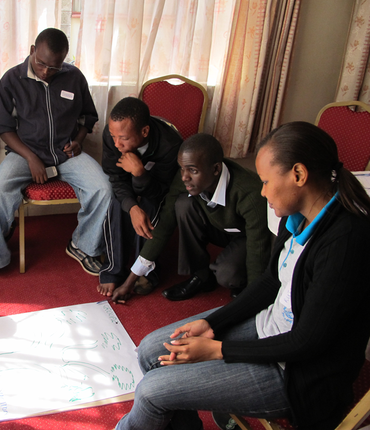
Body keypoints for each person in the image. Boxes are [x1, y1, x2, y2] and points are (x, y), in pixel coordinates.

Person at [113, 122, 370, 430]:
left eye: (265, 181)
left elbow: (306, 342)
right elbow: (269, 283)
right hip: (270, 329)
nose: (261, 190)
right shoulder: (298, 217)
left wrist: (218, 350)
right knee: (152, 350)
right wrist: (213, 324)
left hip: (297, 374)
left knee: (151, 392)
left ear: (298, 175)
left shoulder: (345, 243)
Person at [0, 27, 113, 282]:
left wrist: (79, 141)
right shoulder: (12, 80)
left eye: (54, 67)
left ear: (64, 62)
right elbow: (4, 129)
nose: (46, 71)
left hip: (66, 153)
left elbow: (88, 117)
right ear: (32, 51)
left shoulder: (73, 77)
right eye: (41, 64)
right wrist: (30, 157)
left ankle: (83, 246)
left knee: (104, 188)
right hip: (25, 152)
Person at [112, 133, 272, 303]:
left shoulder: (251, 194)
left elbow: (258, 250)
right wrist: (130, 281)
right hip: (221, 228)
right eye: (182, 168)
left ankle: (240, 282)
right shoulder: (187, 178)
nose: (184, 177)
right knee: (183, 204)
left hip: (248, 237)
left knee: (227, 275)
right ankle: (201, 276)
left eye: (193, 171)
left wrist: (253, 298)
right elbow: (165, 224)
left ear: (216, 169)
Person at [98, 97, 182, 297]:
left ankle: (146, 270)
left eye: (123, 138)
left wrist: (139, 174)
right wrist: (132, 207)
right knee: (116, 202)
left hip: (156, 186)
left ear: (144, 132)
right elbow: (116, 179)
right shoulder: (113, 136)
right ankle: (114, 268)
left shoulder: (171, 145)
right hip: (125, 180)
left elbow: (160, 191)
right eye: (113, 135)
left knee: (150, 206)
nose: (116, 143)